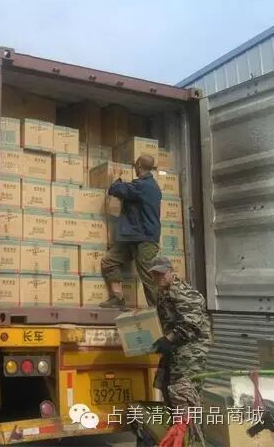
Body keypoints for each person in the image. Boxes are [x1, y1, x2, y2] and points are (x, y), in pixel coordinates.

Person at [148, 256, 210, 443]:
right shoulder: (164, 293)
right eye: (155, 274)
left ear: (170, 272)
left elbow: (192, 324)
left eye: (161, 273)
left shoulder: (183, 292)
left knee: (184, 397)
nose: (159, 277)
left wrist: (168, 339)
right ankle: (177, 439)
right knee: (169, 393)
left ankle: (192, 440)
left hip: (190, 355)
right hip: (175, 352)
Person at [100, 154, 162, 308]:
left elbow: (116, 189)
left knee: (148, 277)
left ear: (139, 165)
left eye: (135, 164)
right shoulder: (147, 186)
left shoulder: (144, 185)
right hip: (132, 237)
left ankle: (159, 313)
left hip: (145, 239)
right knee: (109, 261)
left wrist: (116, 176)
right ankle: (118, 297)